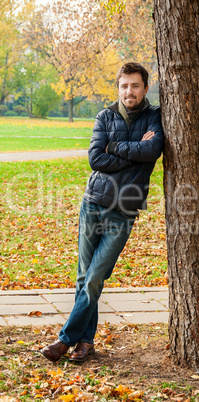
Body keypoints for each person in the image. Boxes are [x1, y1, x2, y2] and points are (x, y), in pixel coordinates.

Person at [41, 62, 164, 363]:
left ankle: (64, 340)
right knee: (85, 278)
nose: (129, 91)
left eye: (135, 85)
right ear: (118, 87)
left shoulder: (155, 116)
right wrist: (131, 150)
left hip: (123, 211)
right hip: (93, 203)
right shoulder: (105, 116)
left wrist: (115, 146)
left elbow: (152, 151)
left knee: (95, 277)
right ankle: (85, 343)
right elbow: (96, 158)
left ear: (145, 88)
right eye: (124, 85)